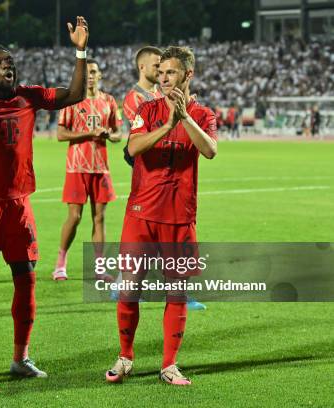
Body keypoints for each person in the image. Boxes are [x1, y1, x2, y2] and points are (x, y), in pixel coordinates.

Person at [0, 16, 89, 380]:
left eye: (11, 61)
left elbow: (76, 95)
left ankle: (20, 357)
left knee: (27, 277)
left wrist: (80, 50)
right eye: (0, 61)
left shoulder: (29, 96)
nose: (9, 65)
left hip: (20, 205)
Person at [106, 46, 217, 386]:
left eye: (171, 72)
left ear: (188, 75)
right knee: (130, 288)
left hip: (180, 216)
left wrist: (183, 119)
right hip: (141, 213)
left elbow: (210, 150)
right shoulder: (147, 109)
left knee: (177, 292)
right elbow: (134, 148)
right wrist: (168, 122)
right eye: (162, 72)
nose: (164, 77)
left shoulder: (203, 114)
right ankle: (125, 357)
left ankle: (169, 364)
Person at [52, 58, 121, 281]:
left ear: (100, 75)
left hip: (101, 168)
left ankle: (100, 268)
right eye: (87, 72)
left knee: (99, 218)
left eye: (94, 72)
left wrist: (108, 135)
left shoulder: (109, 101)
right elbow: (61, 135)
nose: (90, 75)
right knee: (75, 217)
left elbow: (119, 133)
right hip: (77, 167)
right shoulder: (72, 102)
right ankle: (60, 263)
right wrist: (90, 134)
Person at [122, 46, 163, 167]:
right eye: (156, 66)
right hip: (147, 168)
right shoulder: (135, 98)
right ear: (142, 67)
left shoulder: (160, 94)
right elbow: (145, 135)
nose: (160, 70)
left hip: (163, 164)